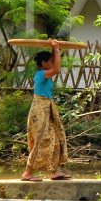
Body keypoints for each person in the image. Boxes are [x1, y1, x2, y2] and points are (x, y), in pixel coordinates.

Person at [22, 40, 71, 182]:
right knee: (40, 141)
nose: (52, 63)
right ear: (43, 63)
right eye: (49, 61)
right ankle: (27, 173)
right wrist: (55, 49)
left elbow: (55, 66)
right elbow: (56, 69)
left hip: (47, 108)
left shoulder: (46, 74)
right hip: (39, 110)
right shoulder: (40, 74)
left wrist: (56, 50)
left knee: (55, 138)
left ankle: (54, 171)